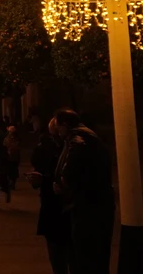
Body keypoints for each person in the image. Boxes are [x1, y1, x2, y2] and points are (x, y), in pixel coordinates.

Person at [53, 109, 114, 274]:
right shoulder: (90, 137)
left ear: (65, 125)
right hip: (95, 203)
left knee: (87, 255)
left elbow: (70, 172)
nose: (58, 133)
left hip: (86, 205)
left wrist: (63, 183)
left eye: (59, 128)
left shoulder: (78, 140)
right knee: (96, 255)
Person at [27, 118, 70, 274]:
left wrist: (44, 180)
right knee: (57, 253)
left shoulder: (69, 149)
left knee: (62, 253)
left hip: (61, 207)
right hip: (53, 207)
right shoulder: (51, 149)